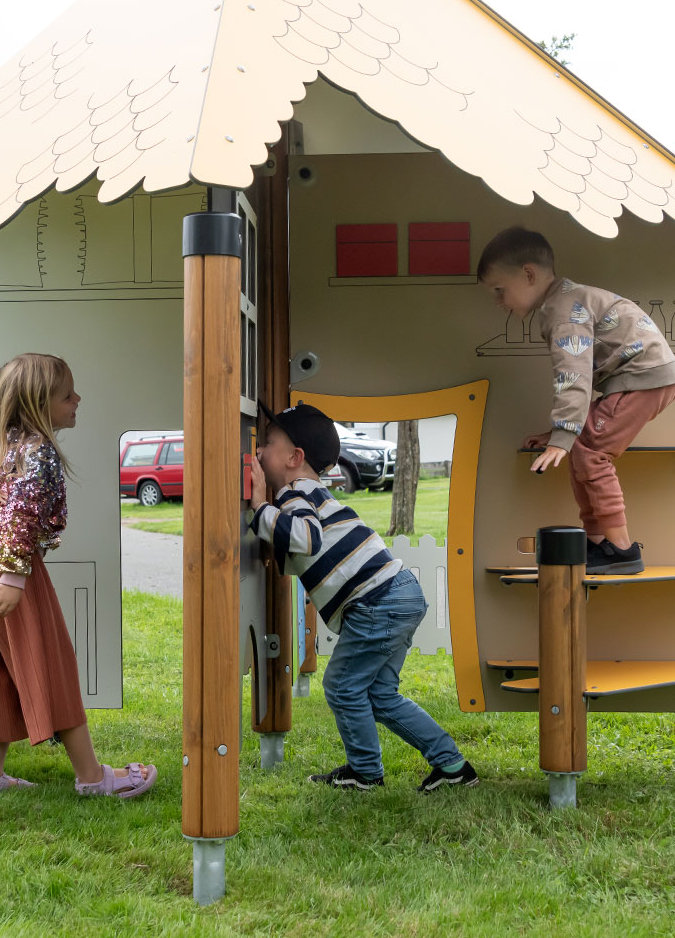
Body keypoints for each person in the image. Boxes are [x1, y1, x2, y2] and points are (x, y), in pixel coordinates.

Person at [0, 353, 157, 797]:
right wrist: (14, 577)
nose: (77, 399)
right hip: (9, 564)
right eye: (67, 395)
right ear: (37, 404)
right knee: (51, 662)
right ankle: (92, 777)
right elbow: (19, 515)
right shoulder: (37, 450)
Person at [249, 402, 479, 793]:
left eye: (266, 444)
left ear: (294, 458)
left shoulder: (292, 494)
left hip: (377, 601)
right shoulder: (314, 493)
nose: (257, 453)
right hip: (398, 592)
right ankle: (452, 765)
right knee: (379, 694)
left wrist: (258, 507)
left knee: (341, 685)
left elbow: (306, 539)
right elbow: (303, 555)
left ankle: (365, 771)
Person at [478, 227, 675, 575]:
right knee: (582, 448)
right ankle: (598, 542)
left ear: (528, 274)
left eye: (500, 290)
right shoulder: (566, 300)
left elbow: (574, 375)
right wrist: (560, 434)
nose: (498, 302)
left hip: (642, 377)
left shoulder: (563, 311)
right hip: (640, 377)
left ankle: (622, 550)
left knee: (590, 451)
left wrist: (564, 435)